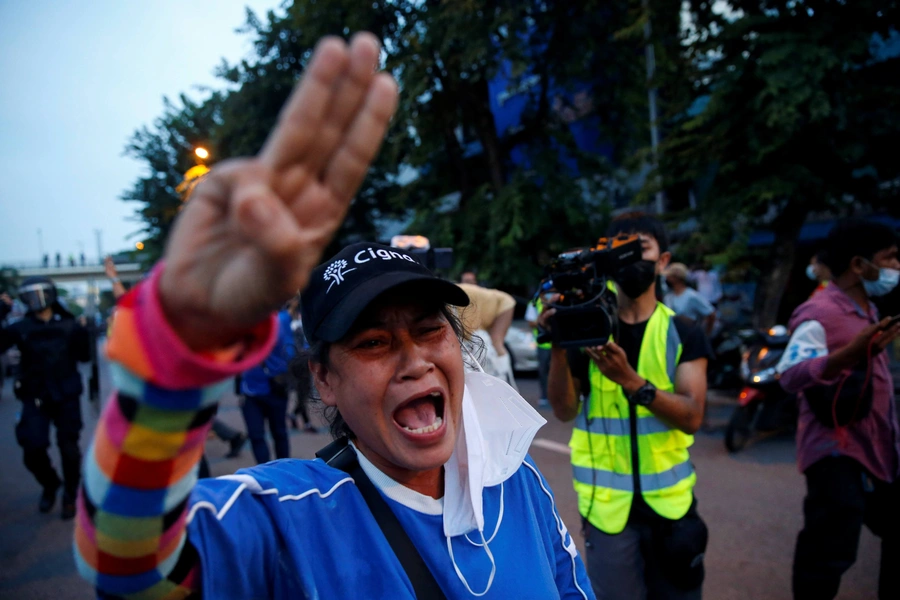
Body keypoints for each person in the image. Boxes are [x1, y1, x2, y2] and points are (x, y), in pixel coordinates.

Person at [75, 33, 593, 599]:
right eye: (373, 343)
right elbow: (124, 566)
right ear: (324, 378)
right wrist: (179, 349)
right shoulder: (284, 521)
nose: (415, 360)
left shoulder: (518, 483)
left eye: (429, 330)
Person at [541, 211, 712, 600]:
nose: (630, 259)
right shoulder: (587, 327)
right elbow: (565, 410)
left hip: (671, 509)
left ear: (663, 261)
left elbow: (692, 416)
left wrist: (631, 382)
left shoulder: (682, 331)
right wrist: (557, 343)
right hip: (607, 512)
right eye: (620, 250)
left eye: (641, 248)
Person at [776, 218, 900, 600]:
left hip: (876, 447)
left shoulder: (867, 307)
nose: (896, 266)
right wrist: (851, 353)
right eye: (890, 258)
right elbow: (790, 374)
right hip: (836, 451)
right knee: (828, 552)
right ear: (859, 265)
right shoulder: (821, 311)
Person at [0, 277, 91, 519]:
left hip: (66, 396)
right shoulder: (20, 328)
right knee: (32, 447)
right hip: (34, 397)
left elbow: (84, 357)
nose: (36, 300)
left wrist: (85, 334)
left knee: (69, 449)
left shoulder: (70, 325)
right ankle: (50, 483)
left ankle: (70, 495)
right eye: (30, 295)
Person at [238, 307, 295, 463]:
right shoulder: (244, 324)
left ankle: (283, 471)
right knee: (257, 436)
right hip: (250, 391)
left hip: (274, 388)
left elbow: (290, 353)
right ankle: (265, 473)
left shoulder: (279, 322)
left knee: (278, 433)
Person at [457, 282, 518, 389]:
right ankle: (502, 381)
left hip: (504, 304)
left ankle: (503, 379)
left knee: (496, 342)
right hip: (499, 302)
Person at [664, 263, 717, 337]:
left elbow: (711, 314)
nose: (666, 278)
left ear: (676, 278)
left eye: (669, 276)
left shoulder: (691, 296)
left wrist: (706, 335)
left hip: (688, 337)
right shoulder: (668, 296)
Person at [525, 290, 554, 408]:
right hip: (543, 344)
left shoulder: (560, 301)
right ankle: (544, 397)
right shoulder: (534, 303)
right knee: (543, 372)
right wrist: (544, 320)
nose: (550, 294)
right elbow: (531, 322)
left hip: (558, 344)